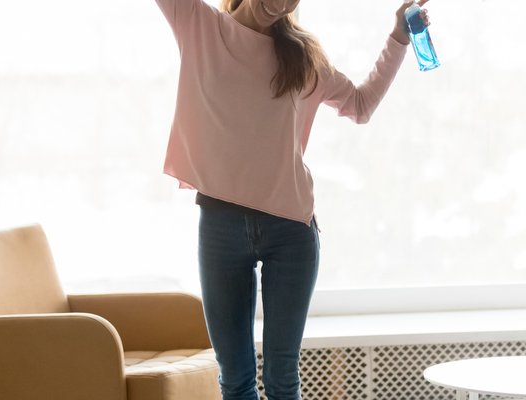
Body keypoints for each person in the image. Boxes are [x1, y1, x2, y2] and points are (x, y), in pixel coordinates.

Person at [153, 0, 429, 398]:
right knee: (235, 378)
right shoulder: (198, 23)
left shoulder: (303, 55)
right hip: (220, 227)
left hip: (291, 231)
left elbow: (362, 105)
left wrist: (399, 39)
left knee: (283, 379)